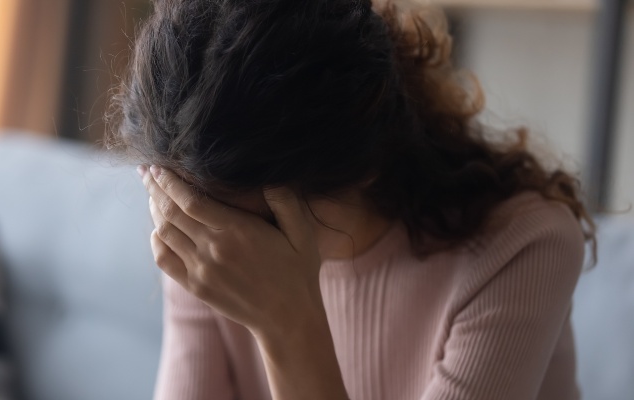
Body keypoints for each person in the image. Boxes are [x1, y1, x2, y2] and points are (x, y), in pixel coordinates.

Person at [107, 0, 596, 398]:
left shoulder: (523, 247)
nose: (221, 246)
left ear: (361, 168)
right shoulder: (208, 236)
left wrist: (289, 327)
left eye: (253, 229)